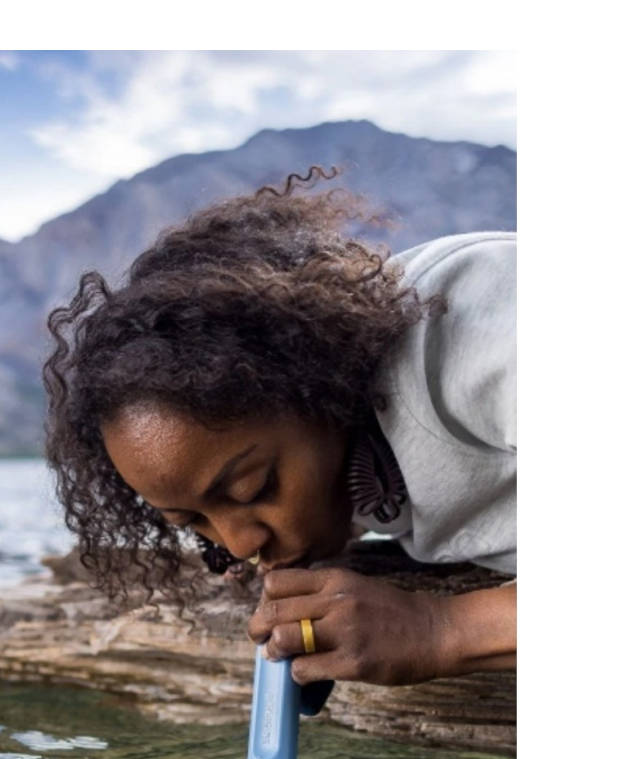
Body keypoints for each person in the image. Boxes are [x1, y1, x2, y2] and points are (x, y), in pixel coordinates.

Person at [42, 168, 515, 689]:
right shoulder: (341, 456)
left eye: (253, 488)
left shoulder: (476, 324)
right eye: (193, 521)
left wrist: (442, 630)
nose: (240, 544)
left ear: (317, 383)